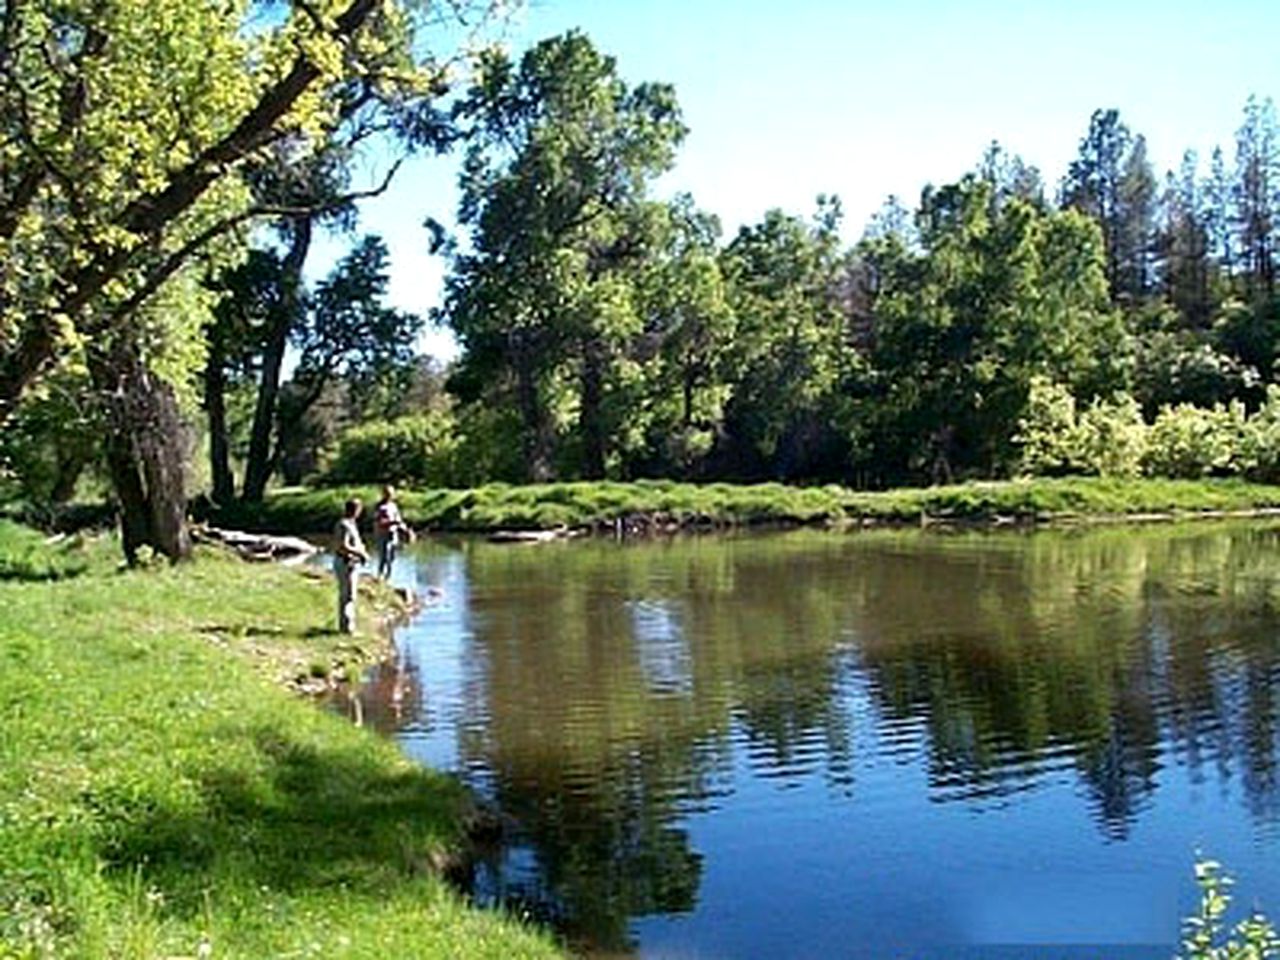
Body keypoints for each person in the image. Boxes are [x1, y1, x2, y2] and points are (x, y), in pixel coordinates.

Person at [334, 497, 369, 633]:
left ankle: (348, 626)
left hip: (351, 563)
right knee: (347, 595)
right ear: (355, 510)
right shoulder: (343, 525)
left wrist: (360, 551)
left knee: (350, 595)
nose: (359, 512)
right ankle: (346, 629)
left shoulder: (351, 523)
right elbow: (342, 546)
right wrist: (361, 553)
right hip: (345, 563)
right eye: (359, 509)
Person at [373, 484, 413, 580]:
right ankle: (380, 576)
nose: (389, 496)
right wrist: (393, 522)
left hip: (393, 534)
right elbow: (379, 522)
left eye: (391, 494)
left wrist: (406, 530)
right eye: (387, 493)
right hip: (382, 535)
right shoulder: (379, 507)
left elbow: (399, 520)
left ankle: (388, 577)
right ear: (383, 494)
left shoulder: (393, 506)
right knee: (384, 556)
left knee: (391, 557)